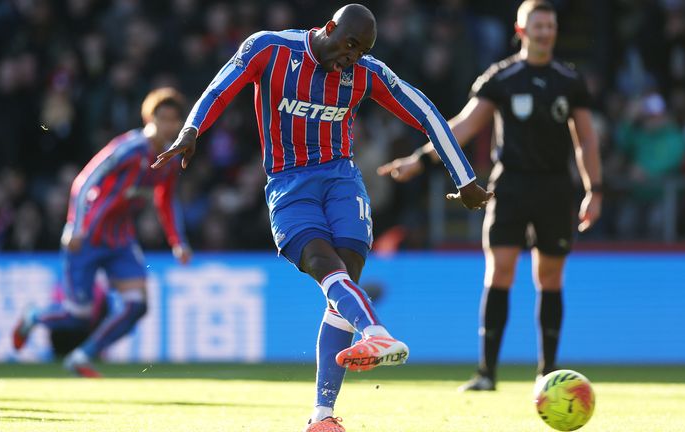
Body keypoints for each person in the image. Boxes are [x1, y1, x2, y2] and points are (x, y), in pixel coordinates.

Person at [151, 4, 492, 431]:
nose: (352, 57)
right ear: (329, 28)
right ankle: (376, 332)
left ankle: (322, 415)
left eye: (362, 50)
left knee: (342, 281)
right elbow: (220, 87)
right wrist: (191, 129)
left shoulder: (365, 72)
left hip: (342, 179)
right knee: (321, 263)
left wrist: (464, 178)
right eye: (349, 44)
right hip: (289, 183)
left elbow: (425, 112)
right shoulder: (270, 49)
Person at [378, 0, 602, 391]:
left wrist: (593, 189)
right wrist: (421, 159)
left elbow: (585, 139)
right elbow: (463, 126)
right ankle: (486, 373)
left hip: (554, 189)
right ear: (521, 31)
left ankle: (547, 374)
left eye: (550, 26)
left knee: (549, 277)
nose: (545, 32)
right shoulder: (501, 78)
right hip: (510, 187)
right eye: (538, 26)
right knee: (499, 270)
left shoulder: (569, 80)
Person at [12, 87, 192, 377]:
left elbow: (166, 200)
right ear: (149, 118)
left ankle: (82, 356)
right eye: (163, 118)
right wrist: (75, 225)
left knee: (138, 305)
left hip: (120, 240)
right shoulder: (128, 149)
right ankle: (34, 316)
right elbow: (85, 181)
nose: (168, 125)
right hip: (88, 235)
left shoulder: (169, 159)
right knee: (78, 314)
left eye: (174, 120)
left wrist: (177, 241)